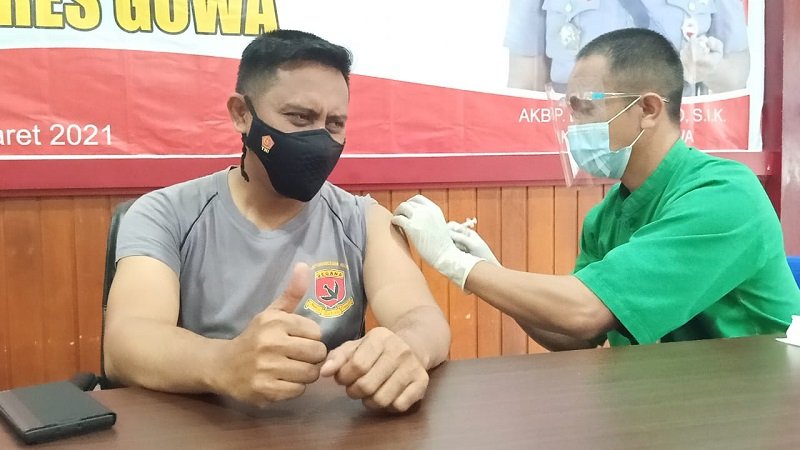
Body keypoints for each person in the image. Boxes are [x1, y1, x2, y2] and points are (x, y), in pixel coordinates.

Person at [103, 30, 450, 412]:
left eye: (334, 123)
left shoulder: (363, 220)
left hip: (329, 427)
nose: (320, 139)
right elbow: (126, 342)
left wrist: (407, 348)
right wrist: (223, 363)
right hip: (204, 425)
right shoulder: (165, 214)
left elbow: (423, 318)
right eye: (300, 117)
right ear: (242, 114)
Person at [394, 28, 800, 350]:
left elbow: (585, 312)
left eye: (585, 109)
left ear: (648, 109)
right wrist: (492, 272)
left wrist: (454, 263)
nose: (574, 128)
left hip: (759, 401)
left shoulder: (724, 195)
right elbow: (574, 335)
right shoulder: (606, 217)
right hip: (665, 402)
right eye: (571, 112)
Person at [504, 0, 750, 94]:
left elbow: (736, 78)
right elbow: (524, 85)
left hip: (675, 147)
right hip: (579, 142)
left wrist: (705, 68)